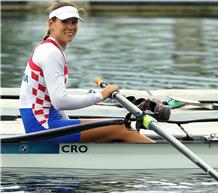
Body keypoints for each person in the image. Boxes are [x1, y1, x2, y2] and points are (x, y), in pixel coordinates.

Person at [19, 1, 153, 143]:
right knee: (120, 128)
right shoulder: (51, 52)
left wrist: (70, 126)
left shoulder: (48, 48)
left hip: (42, 121)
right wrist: (101, 95)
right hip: (42, 126)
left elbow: (54, 103)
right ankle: (166, 160)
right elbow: (60, 101)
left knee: (114, 127)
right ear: (51, 23)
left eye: (74, 22)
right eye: (65, 22)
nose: (71, 27)